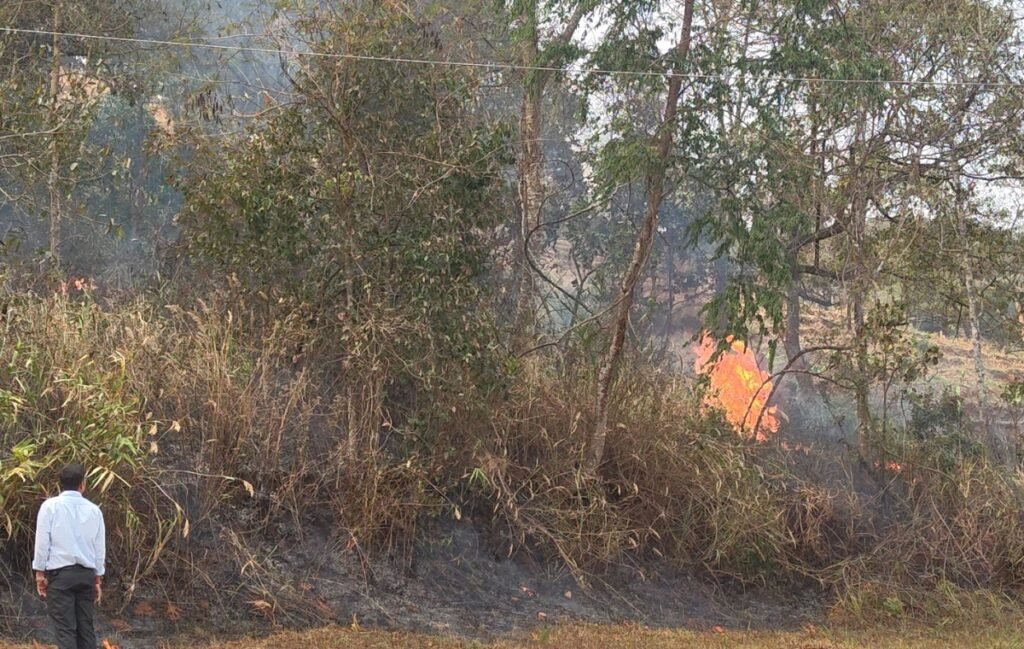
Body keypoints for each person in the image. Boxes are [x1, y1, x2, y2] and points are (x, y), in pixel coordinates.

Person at [32, 464, 106, 649]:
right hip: (86, 575)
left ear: (61, 484)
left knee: (66, 630)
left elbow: (42, 542)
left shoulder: (49, 507)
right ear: (82, 484)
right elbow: (99, 548)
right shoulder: (94, 510)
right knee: (86, 629)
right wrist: (97, 578)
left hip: (61, 577)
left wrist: (40, 573)